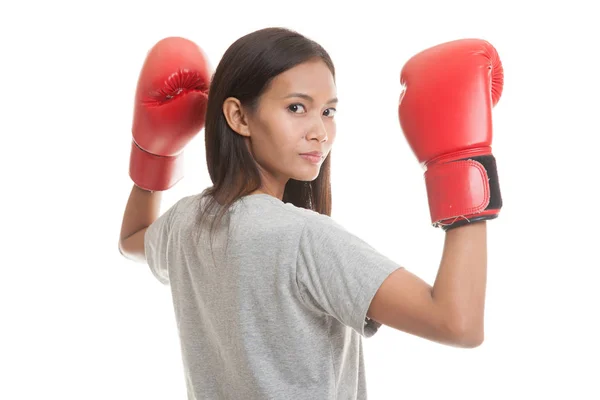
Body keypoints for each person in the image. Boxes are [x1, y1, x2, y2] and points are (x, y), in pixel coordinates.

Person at [118, 27, 503, 400]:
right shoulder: (303, 238)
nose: (320, 131)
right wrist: (460, 162)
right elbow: (458, 324)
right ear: (238, 117)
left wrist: (155, 156)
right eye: (296, 107)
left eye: (329, 111)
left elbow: (131, 239)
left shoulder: (187, 222)